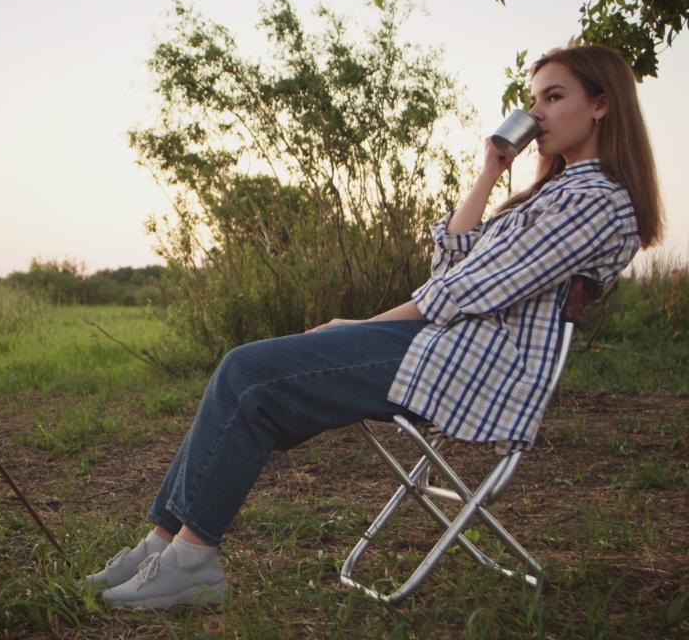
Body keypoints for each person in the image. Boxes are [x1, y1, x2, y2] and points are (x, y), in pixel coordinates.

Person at [81, 44, 664, 609]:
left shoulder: (598, 200)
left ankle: (188, 563)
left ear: (601, 104)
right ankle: (162, 547)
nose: (535, 113)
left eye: (553, 96)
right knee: (250, 379)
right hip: (443, 345)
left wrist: (361, 324)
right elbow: (454, 264)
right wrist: (491, 170)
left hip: (473, 365)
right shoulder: (555, 192)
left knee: (249, 373)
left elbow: (469, 290)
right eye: (532, 99)